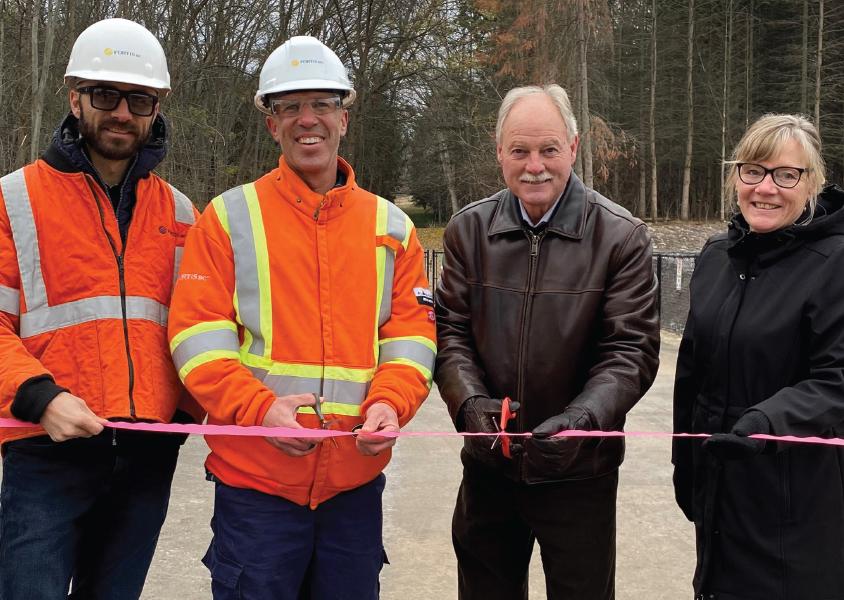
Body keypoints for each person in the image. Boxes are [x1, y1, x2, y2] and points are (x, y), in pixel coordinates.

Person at [167, 35, 436, 599]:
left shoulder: (392, 228)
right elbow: (197, 341)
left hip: (352, 489)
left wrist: (389, 403)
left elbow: (410, 338)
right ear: (272, 123)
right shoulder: (228, 218)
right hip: (257, 490)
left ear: (344, 115)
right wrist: (262, 410)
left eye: (321, 104)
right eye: (289, 106)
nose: (306, 120)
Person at [0, 18, 202, 599]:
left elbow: (200, 328)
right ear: (75, 98)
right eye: (105, 95)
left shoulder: (183, 214)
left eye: (138, 99)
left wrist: (181, 420)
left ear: (156, 106)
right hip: (47, 448)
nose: (121, 112)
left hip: (147, 456)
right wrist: (41, 397)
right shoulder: (15, 200)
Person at [435, 83, 660, 600]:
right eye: (519, 151)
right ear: (499, 154)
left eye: (549, 150)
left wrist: (583, 420)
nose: (534, 165)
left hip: (580, 474)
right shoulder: (468, 230)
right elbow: (450, 334)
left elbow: (630, 352)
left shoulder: (622, 236)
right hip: (489, 468)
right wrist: (470, 404)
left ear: (574, 149)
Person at [673, 114, 844, 599]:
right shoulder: (715, 256)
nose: (765, 188)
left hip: (794, 501)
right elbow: (691, 374)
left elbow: (837, 381)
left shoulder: (835, 264)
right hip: (719, 492)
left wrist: (765, 420)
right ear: (735, 176)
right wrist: (686, 469)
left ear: (812, 183)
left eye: (786, 174)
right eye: (753, 170)